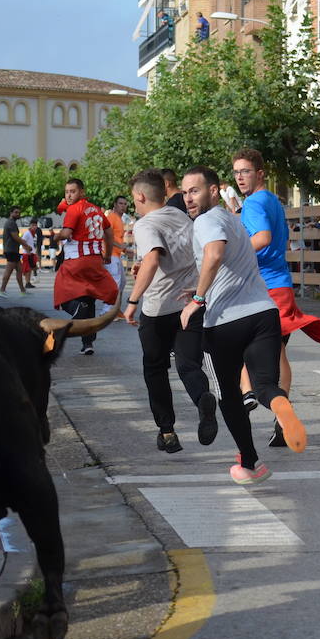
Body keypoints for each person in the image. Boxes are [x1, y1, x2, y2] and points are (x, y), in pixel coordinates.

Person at [179, 165, 305, 484]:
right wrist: (200, 285)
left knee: (230, 397)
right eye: (184, 192)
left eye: (195, 190)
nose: (188, 198)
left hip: (224, 324)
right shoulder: (232, 220)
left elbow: (215, 254)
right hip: (264, 313)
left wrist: (198, 298)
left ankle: (250, 463)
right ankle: (281, 408)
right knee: (263, 386)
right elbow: (229, 260)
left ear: (212, 191)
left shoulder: (207, 221)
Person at [232, 148, 320, 445]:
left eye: (245, 171)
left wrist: (233, 254)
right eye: (236, 172)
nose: (240, 177)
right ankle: (281, 420)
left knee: (238, 343)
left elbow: (263, 238)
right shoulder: (272, 201)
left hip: (263, 286)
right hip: (280, 284)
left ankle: (250, 392)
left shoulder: (254, 202)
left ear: (260, 173)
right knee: (278, 352)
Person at [122, 169, 218, 454]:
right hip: (189, 303)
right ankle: (202, 398)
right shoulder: (182, 216)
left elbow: (152, 259)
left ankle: (167, 431)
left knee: (155, 369)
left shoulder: (144, 224)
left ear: (140, 196)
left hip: (158, 308)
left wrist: (132, 301)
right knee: (189, 364)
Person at [52, 179, 119, 355]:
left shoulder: (74, 209)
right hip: (95, 260)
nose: (68, 195)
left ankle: (77, 312)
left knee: (61, 290)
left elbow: (67, 233)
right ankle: (88, 342)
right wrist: (107, 254)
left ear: (82, 192)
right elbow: (109, 233)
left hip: (77, 260)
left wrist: (56, 237)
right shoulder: (96, 209)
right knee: (88, 297)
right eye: (66, 191)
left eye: (72, 191)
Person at [0, 207, 34, 297]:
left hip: (13, 250)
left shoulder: (12, 223)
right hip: (11, 250)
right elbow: (15, 237)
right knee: (8, 271)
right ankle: (1, 290)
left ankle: (23, 291)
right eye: (16, 212)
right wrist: (26, 246)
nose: (18, 214)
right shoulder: (10, 223)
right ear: (11, 213)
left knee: (19, 270)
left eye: (19, 213)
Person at [104, 194, 130, 300]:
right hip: (110, 255)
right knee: (115, 284)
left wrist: (124, 249)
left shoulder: (120, 219)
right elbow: (105, 235)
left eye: (125, 204)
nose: (123, 206)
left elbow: (116, 238)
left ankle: (115, 310)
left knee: (122, 283)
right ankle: (107, 312)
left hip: (117, 255)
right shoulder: (111, 218)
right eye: (120, 203)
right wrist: (120, 245)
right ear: (115, 205)